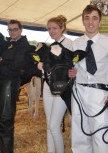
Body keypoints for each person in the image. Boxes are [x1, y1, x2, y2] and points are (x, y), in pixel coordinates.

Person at [68, 5, 108, 153]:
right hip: (78, 92)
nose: (91, 22)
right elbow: (72, 68)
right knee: (79, 134)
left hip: (100, 94)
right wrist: (70, 73)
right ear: (83, 21)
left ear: (100, 22)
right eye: (87, 18)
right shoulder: (75, 44)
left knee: (100, 135)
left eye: (94, 18)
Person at [0, 20, 30, 153]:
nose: (12, 32)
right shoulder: (9, 44)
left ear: (21, 30)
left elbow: (17, 67)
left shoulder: (23, 45)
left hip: (9, 84)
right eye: (9, 30)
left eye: (15, 29)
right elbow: (1, 59)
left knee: (5, 119)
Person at [36, 15, 72, 153]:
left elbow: (65, 66)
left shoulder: (68, 44)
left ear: (62, 28)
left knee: (54, 125)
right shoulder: (52, 46)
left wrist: (44, 65)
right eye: (49, 29)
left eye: (55, 28)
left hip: (61, 88)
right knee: (49, 124)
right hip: (47, 86)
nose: (51, 31)